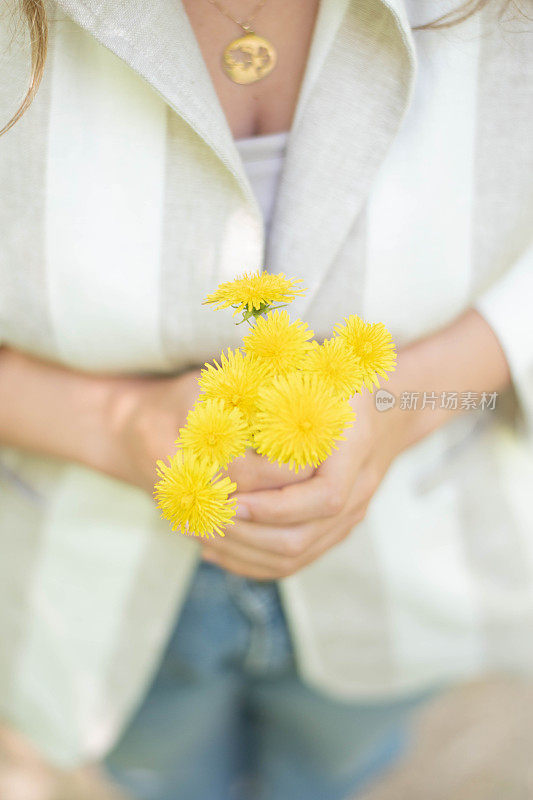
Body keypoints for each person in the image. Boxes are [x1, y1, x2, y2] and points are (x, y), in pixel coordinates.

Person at [0, 0, 531, 798]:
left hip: (402, 562)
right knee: (163, 773)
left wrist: (406, 401)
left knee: (338, 761)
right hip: (84, 585)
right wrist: (117, 428)